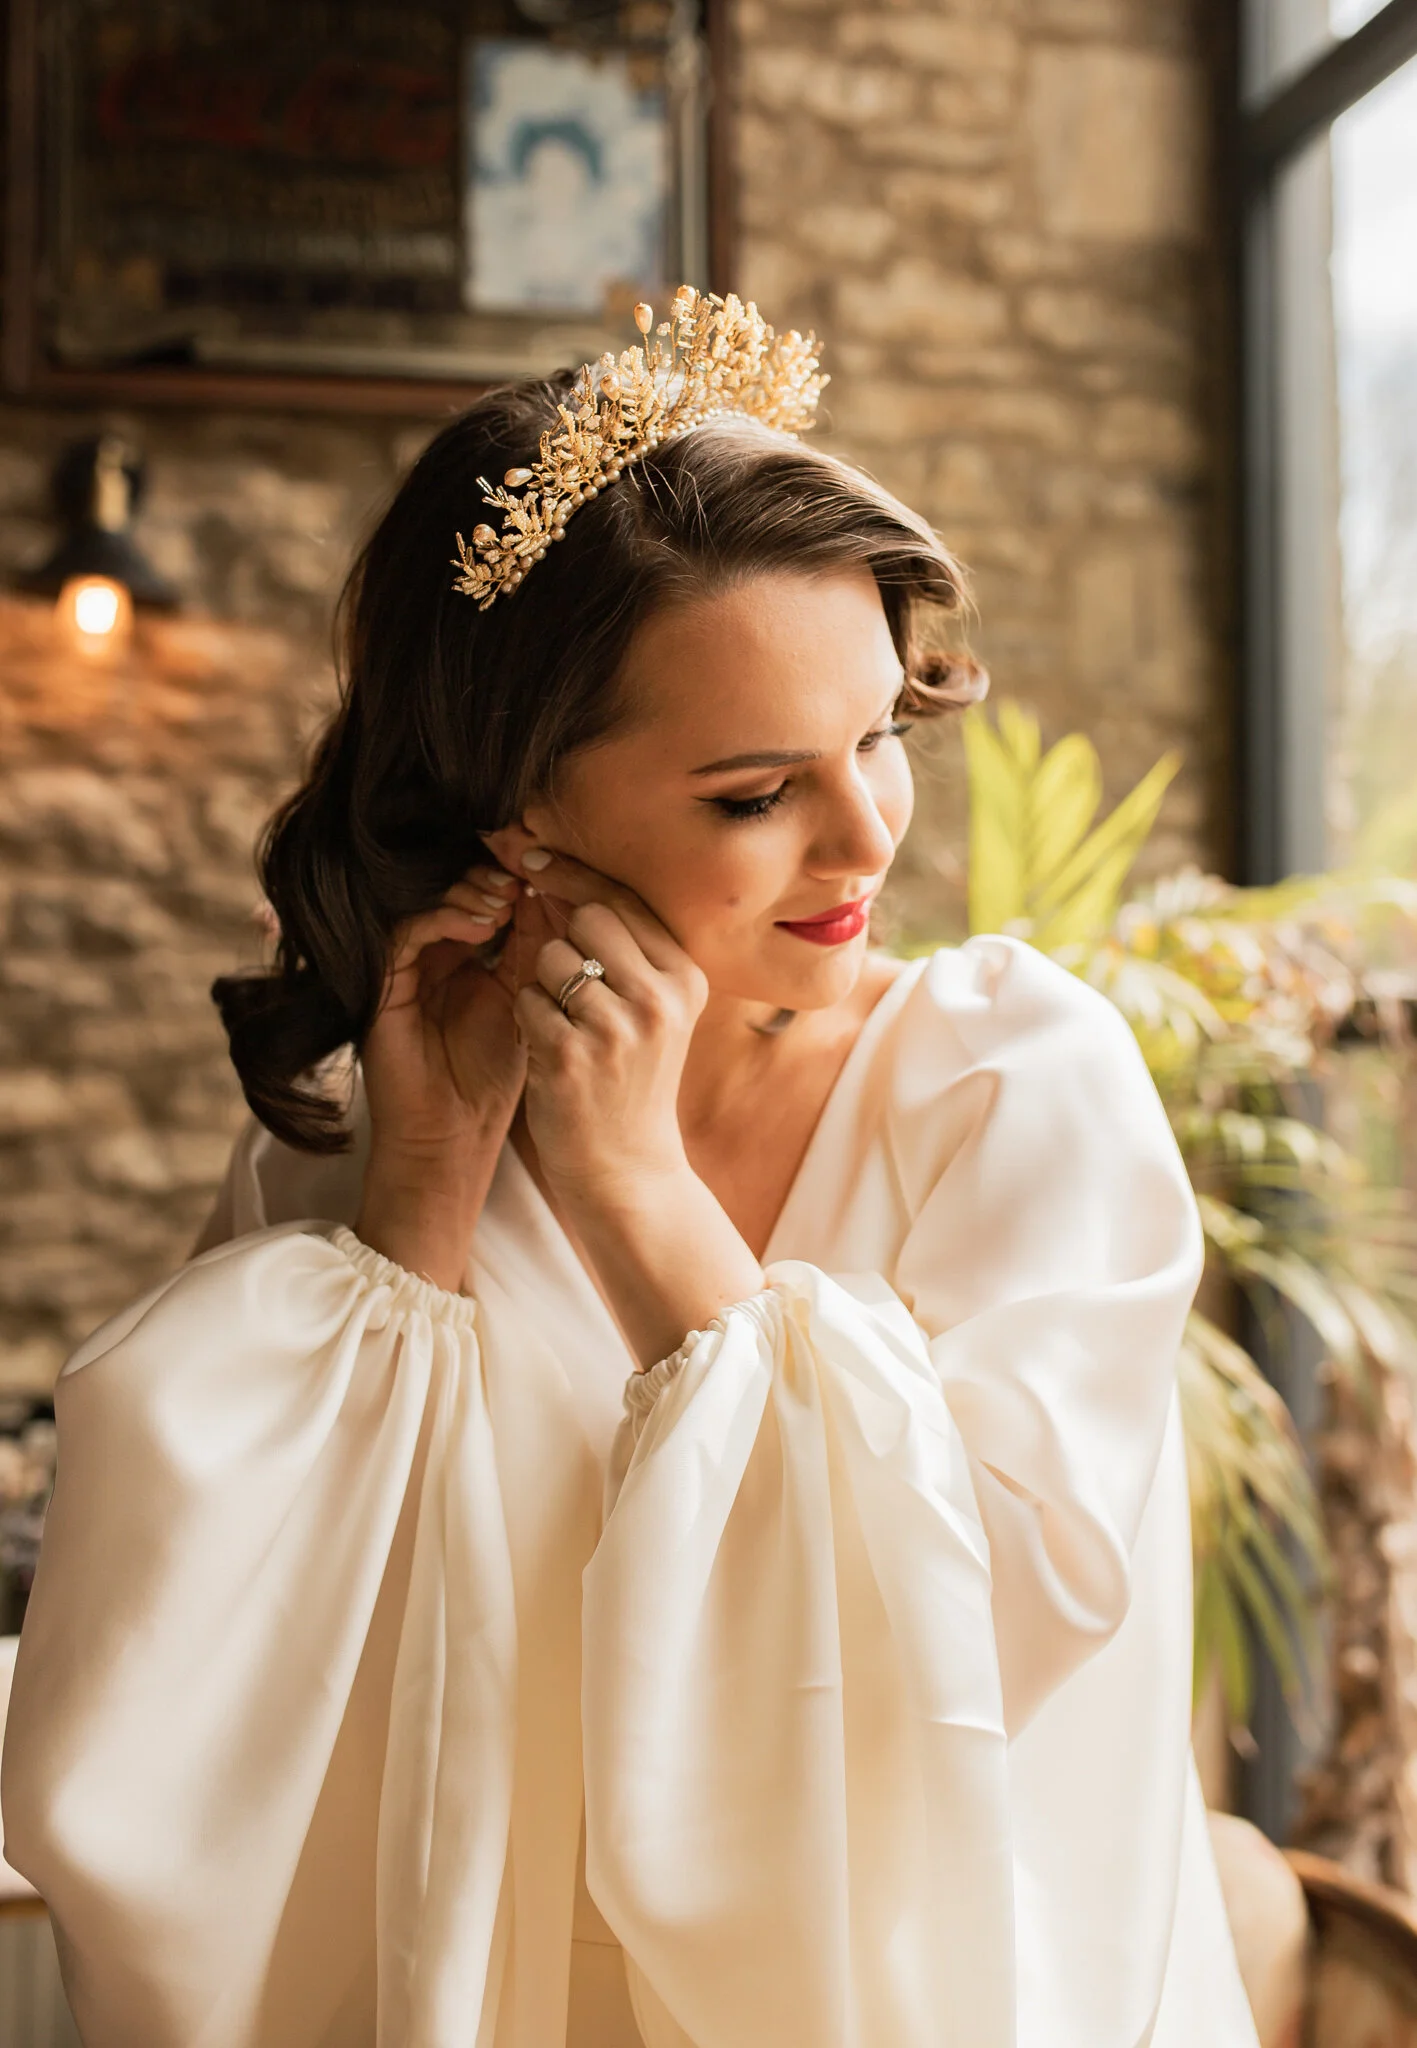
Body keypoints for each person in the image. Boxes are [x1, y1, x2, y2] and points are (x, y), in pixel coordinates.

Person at [1, 292, 1259, 2047]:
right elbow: (199, 1705)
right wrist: (418, 1217)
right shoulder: (368, 1147)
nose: (868, 836)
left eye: (880, 735)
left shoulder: (1008, 1091)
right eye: (754, 793)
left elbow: (990, 1667)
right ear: (521, 811)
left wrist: (640, 1200)